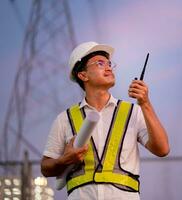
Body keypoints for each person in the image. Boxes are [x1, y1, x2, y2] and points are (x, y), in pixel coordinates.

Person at [41, 41, 170, 200]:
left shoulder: (133, 112)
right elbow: (46, 168)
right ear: (83, 75)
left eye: (109, 63)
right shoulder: (64, 119)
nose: (109, 67)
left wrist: (145, 104)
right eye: (100, 63)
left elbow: (162, 149)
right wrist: (64, 160)